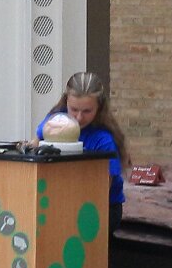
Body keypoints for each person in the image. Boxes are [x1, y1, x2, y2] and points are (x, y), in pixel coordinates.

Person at [37, 71, 126, 230]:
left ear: (99, 108)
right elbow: (35, 144)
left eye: (87, 111)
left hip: (101, 207)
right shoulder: (55, 122)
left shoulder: (103, 140)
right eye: (74, 109)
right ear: (66, 102)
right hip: (61, 202)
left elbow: (104, 188)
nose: (78, 117)